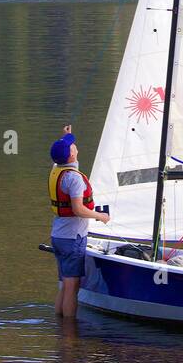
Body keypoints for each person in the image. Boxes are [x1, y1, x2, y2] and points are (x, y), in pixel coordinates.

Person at [48, 124, 108, 318]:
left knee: (64, 285)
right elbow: (78, 209)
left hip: (58, 236)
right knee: (72, 288)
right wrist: (100, 216)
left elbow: (63, 151)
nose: (76, 148)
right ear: (71, 156)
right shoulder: (74, 179)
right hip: (73, 239)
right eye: (73, 147)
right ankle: (69, 335)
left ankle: (59, 326)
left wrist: (67, 136)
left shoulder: (57, 169)